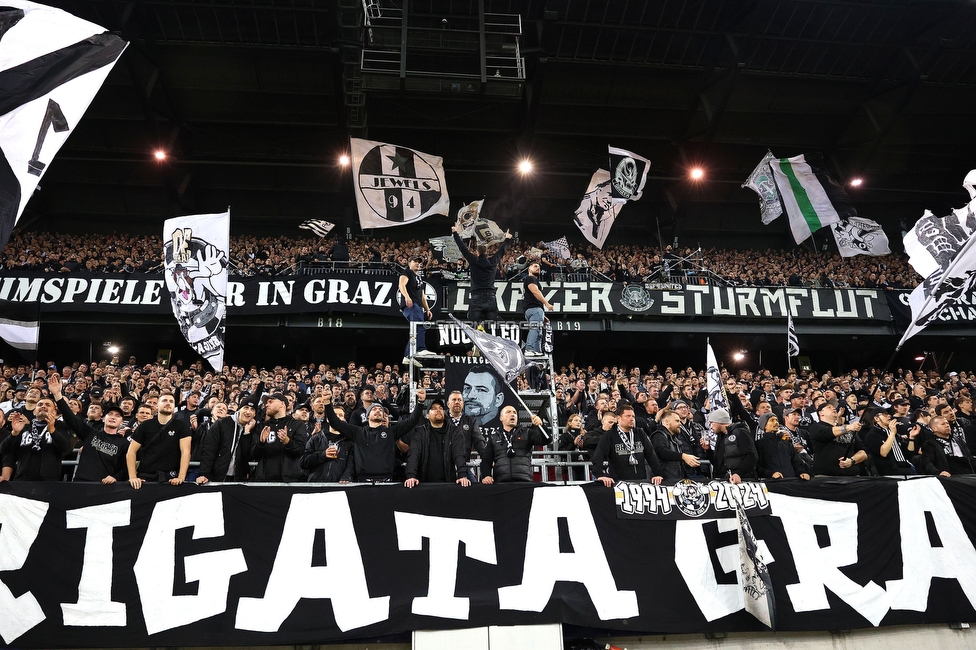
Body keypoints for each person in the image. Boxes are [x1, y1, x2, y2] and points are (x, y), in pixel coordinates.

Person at [322, 386, 427, 482]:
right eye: (374, 409)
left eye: (380, 410)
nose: (378, 410)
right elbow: (336, 422)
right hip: (362, 481)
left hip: (387, 480)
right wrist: (327, 403)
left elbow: (412, 421)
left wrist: (420, 402)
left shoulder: (391, 432)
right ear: (367, 416)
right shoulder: (358, 432)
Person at [49, 374, 129, 483]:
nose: (113, 417)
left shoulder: (124, 443)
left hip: (105, 486)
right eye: (110, 414)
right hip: (81, 483)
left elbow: (125, 468)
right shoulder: (90, 433)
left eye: (117, 416)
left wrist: (116, 477)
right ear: (104, 418)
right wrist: (57, 394)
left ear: (121, 422)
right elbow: (70, 418)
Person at [125, 393, 192, 488]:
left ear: (174, 406)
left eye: (171, 401)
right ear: (157, 406)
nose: (168, 403)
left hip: (170, 477)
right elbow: (131, 451)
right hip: (145, 477)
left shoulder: (182, 425)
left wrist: (181, 477)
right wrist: (132, 477)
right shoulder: (145, 425)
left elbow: (186, 452)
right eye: (164, 401)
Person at [452, 224, 512, 325]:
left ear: (477, 252)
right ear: (487, 252)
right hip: (490, 298)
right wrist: (507, 239)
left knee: (474, 328)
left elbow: (463, 248)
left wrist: (455, 233)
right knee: (492, 327)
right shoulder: (493, 261)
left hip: (476, 297)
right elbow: (501, 251)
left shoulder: (474, 261)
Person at [591, 404, 663, 486]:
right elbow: (598, 456)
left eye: (633, 416)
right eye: (628, 416)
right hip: (619, 483)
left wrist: (658, 474)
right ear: (618, 418)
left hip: (640, 482)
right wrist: (600, 475)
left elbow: (651, 455)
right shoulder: (609, 436)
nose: (632, 419)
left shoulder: (640, 433)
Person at [404, 399, 471, 487]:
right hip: (424, 484)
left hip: (448, 483)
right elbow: (414, 455)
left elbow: (459, 455)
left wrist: (462, 475)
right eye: (434, 408)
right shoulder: (420, 432)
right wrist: (410, 476)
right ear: (427, 415)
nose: (438, 410)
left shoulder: (455, 431)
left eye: (440, 408)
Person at [0, 400, 72, 481]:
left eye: (48, 405)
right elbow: (4, 450)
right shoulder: (24, 427)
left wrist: (52, 430)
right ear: (34, 411)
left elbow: (65, 447)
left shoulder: (60, 427)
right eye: (40, 404)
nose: (43, 406)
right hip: (22, 479)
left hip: (49, 481)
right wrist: (14, 433)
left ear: (54, 412)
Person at [481, 406, 549, 483]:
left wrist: (541, 426)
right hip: (501, 483)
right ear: (501, 418)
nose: (512, 414)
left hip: (524, 481)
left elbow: (546, 440)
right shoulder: (494, 437)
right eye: (508, 412)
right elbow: (486, 460)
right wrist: (486, 475)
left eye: (515, 413)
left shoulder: (527, 433)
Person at [195, 399, 258, 483]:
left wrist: (246, 433)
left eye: (252, 409)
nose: (248, 412)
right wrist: (204, 474)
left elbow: (248, 455)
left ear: (255, 414)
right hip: (217, 476)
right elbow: (209, 450)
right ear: (239, 409)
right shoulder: (222, 423)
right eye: (246, 408)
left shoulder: (253, 430)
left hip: (238, 479)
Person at [250, 393, 308, 482]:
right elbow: (253, 455)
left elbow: (300, 451)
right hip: (263, 480)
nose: (266, 404)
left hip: (287, 481)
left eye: (270, 402)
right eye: (266, 402)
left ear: (282, 404)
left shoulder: (297, 425)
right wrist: (261, 443)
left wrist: (287, 441)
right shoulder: (262, 426)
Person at [807, 402, 866, 477]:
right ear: (821, 413)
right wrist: (849, 427)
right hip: (826, 477)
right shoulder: (816, 427)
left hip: (852, 477)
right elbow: (828, 432)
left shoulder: (850, 430)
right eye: (829, 407)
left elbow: (863, 452)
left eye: (834, 407)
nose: (834, 408)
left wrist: (852, 460)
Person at [701, 407, 757, 484]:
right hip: (724, 482)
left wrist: (738, 474)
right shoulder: (721, 436)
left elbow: (752, 456)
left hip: (742, 481)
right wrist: (708, 450)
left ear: (719, 421)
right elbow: (717, 463)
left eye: (711, 423)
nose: (711, 427)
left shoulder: (741, 432)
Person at [300, 404, 355, 483]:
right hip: (316, 485)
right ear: (328, 419)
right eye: (334, 415)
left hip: (340, 486)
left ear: (344, 420)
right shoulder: (315, 439)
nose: (337, 417)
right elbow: (303, 462)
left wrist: (346, 477)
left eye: (341, 415)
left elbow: (351, 465)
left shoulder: (350, 442)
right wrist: (323, 455)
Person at [398, 255, 435, 367]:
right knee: (420, 326)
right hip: (411, 304)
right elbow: (401, 285)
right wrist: (407, 297)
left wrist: (427, 309)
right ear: (409, 262)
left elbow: (422, 296)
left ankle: (408, 356)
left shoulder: (419, 277)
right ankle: (420, 349)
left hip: (418, 305)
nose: (418, 264)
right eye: (415, 261)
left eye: (420, 262)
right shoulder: (407, 272)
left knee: (416, 328)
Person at [860, 406, 916, 476]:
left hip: (906, 468)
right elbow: (883, 453)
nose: (889, 416)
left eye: (889, 414)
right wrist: (892, 433)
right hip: (889, 473)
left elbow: (909, 454)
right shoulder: (872, 435)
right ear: (876, 418)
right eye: (885, 414)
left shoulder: (894, 433)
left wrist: (911, 438)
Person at [651, 408, 701, 483]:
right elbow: (661, 452)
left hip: (676, 480)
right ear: (667, 422)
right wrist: (683, 456)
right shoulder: (659, 435)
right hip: (665, 482)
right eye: (677, 421)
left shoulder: (675, 438)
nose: (680, 424)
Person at [755, 412, 810, 480]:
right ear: (764, 425)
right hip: (773, 483)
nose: (776, 422)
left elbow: (796, 461)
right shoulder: (759, 444)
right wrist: (771, 474)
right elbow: (758, 466)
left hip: (791, 482)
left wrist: (801, 472)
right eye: (772, 420)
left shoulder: (786, 443)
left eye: (776, 420)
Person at [522, 261, 553, 358]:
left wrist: (542, 315)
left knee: (539, 333)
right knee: (535, 330)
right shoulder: (530, 278)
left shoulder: (529, 279)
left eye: (539, 267)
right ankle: (529, 349)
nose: (537, 268)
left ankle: (536, 351)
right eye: (535, 266)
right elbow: (535, 291)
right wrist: (546, 304)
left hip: (532, 310)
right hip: (534, 309)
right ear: (529, 269)